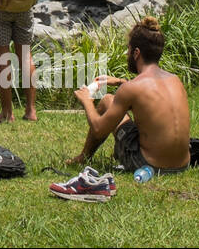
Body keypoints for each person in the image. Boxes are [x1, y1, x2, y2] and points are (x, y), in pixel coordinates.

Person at [68, 14, 191, 174]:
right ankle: (84, 157)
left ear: (136, 53)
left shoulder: (132, 88)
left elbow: (99, 128)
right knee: (111, 100)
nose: (127, 53)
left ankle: (84, 157)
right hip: (182, 164)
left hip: (149, 166)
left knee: (106, 100)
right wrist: (119, 81)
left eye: (129, 49)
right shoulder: (175, 80)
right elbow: (148, 94)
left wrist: (87, 100)